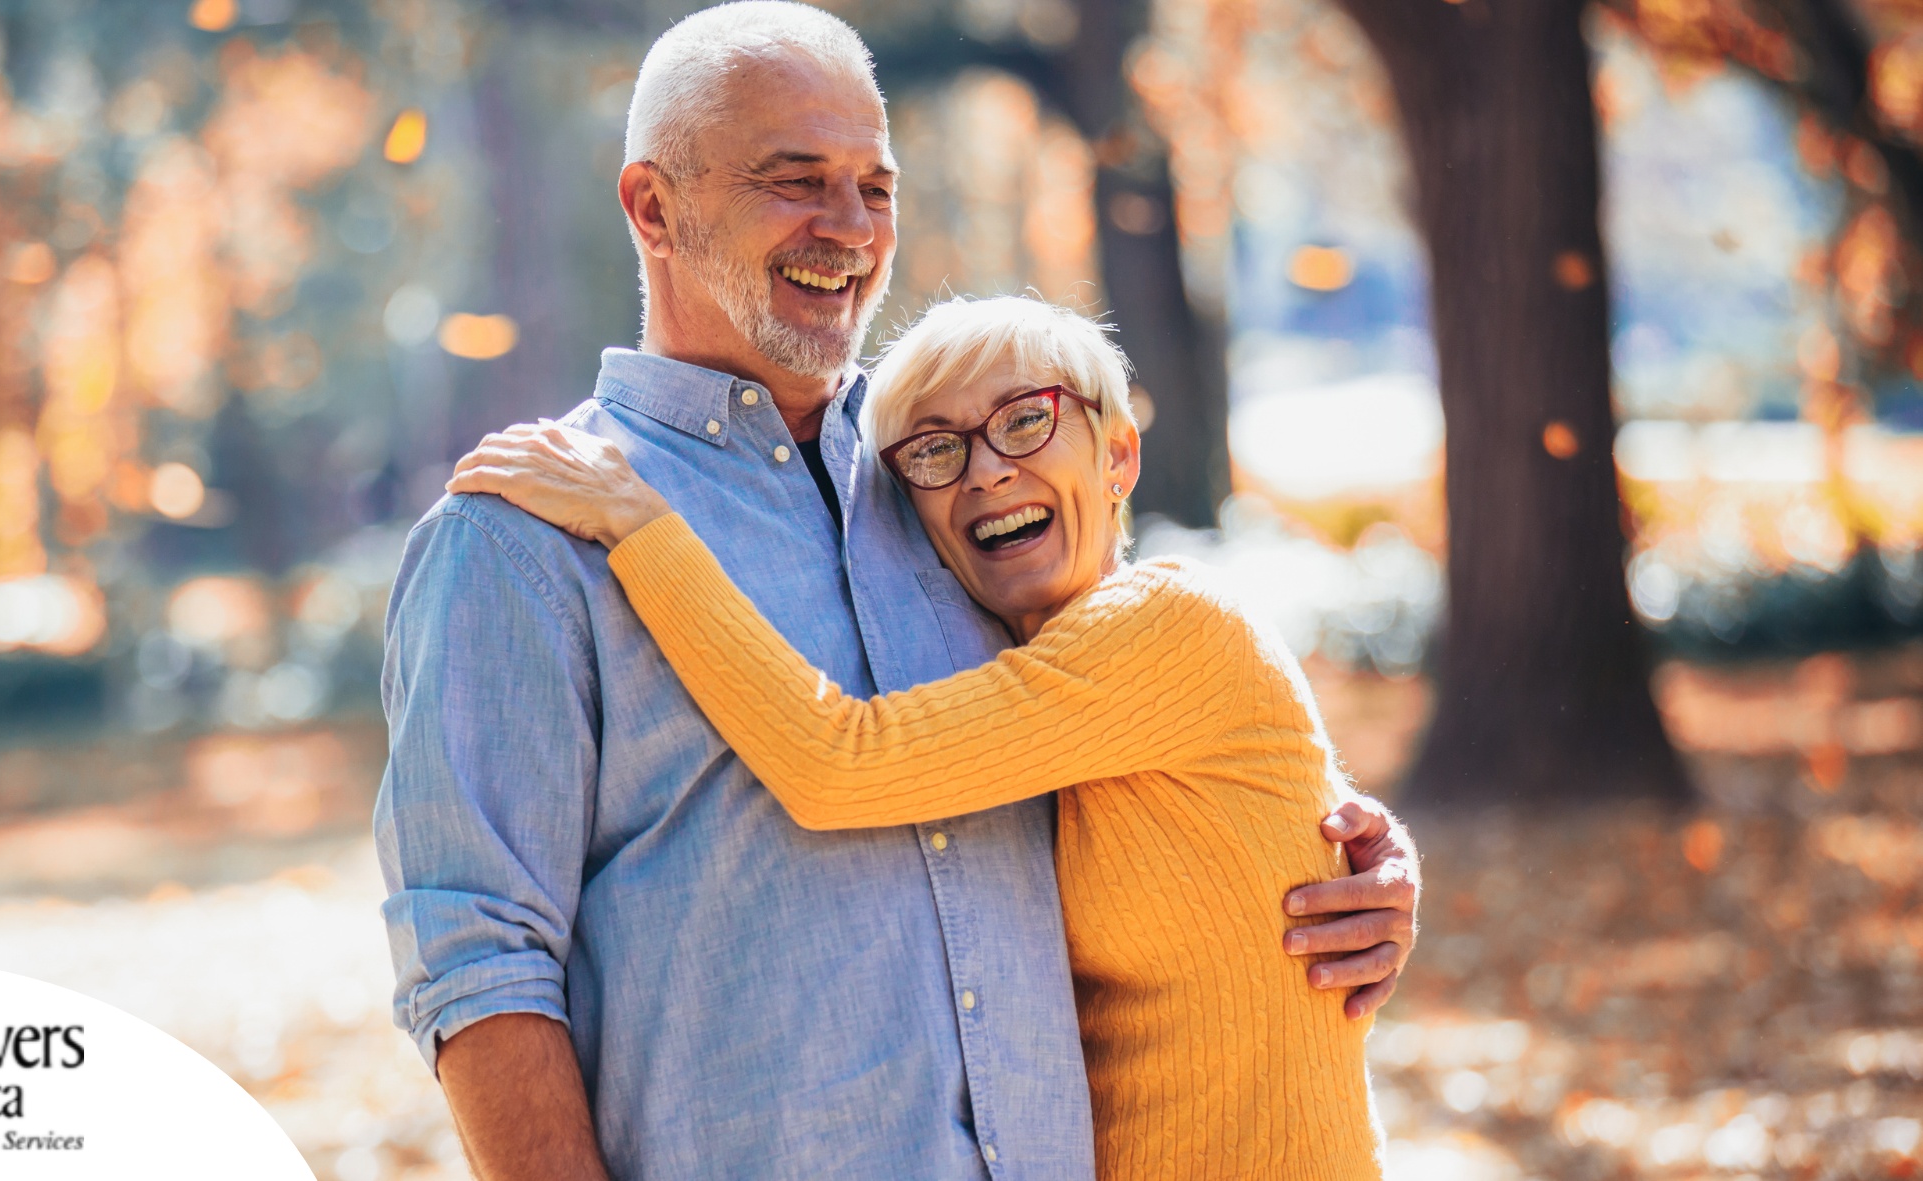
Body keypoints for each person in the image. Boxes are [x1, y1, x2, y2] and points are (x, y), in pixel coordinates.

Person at [374, 5, 1420, 1180]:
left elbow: (1149, 751)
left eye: (876, 186)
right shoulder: (521, 535)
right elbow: (479, 965)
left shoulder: (962, 491)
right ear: (654, 206)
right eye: (797, 179)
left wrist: (1349, 865)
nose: (850, 227)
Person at [450, 295, 1381, 1179]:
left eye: (1025, 421)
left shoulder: (1174, 622)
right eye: (934, 451)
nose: (984, 470)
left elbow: (838, 762)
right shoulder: (1013, 687)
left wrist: (640, 523)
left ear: (1118, 455)